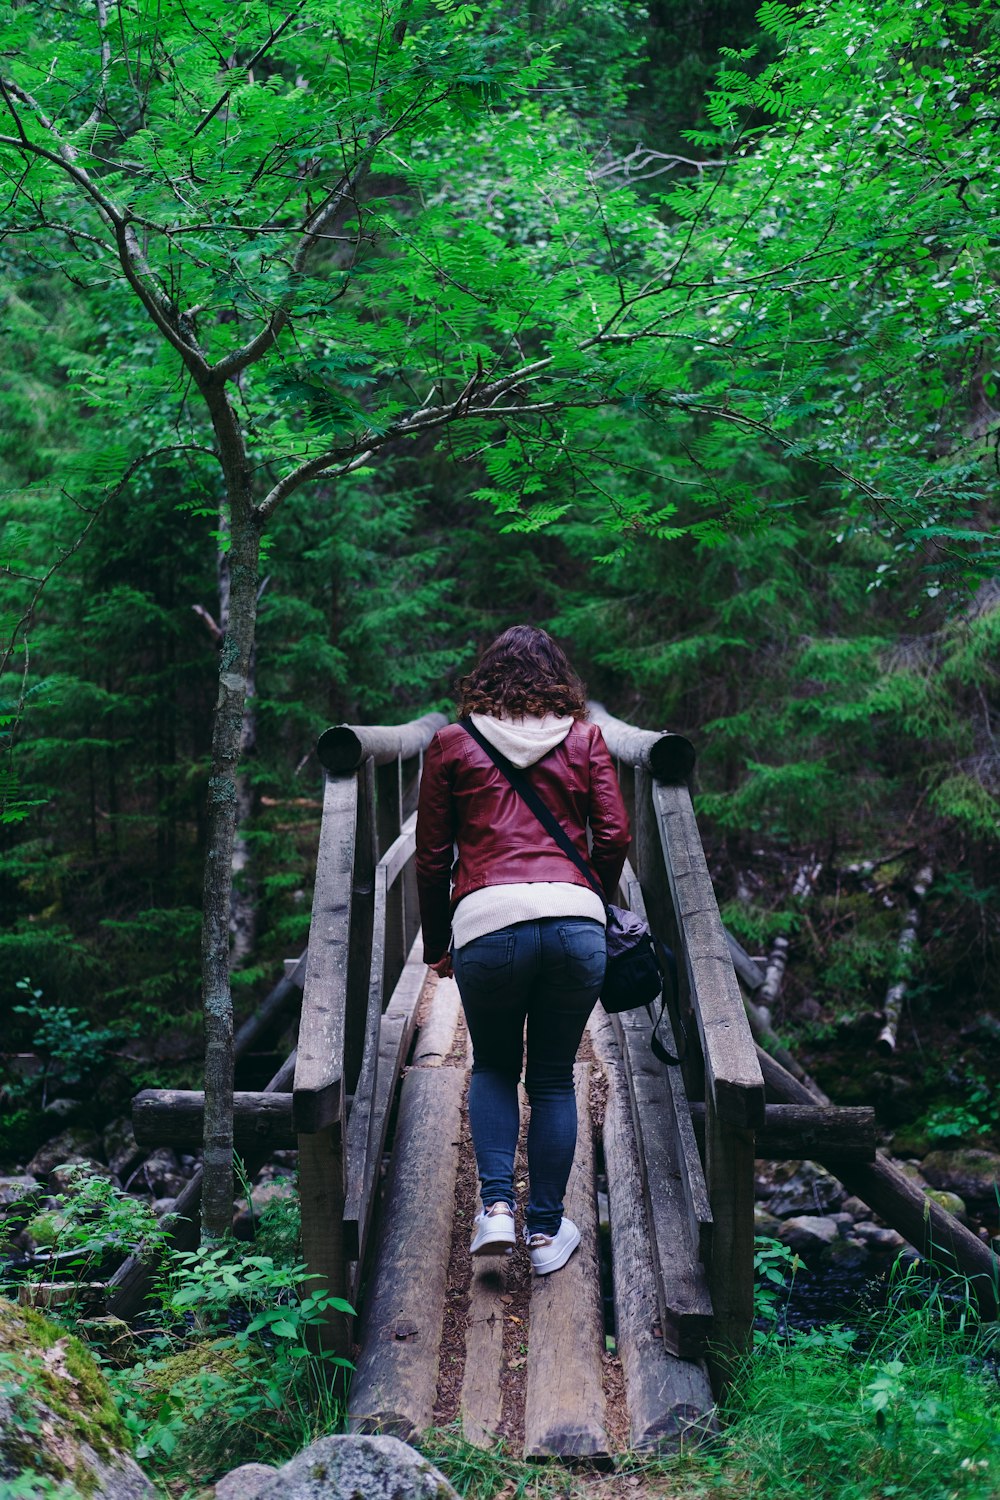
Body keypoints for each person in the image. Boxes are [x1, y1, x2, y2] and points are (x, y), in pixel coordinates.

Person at [415, 626, 630, 1275]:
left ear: (484, 680)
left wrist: (437, 943)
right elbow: (614, 833)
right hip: (574, 924)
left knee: (493, 1067)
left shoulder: (452, 743)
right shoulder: (586, 738)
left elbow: (430, 856)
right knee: (555, 1077)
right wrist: (594, 897)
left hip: (488, 923)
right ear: (559, 680)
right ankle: (544, 1235)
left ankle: (497, 1211)